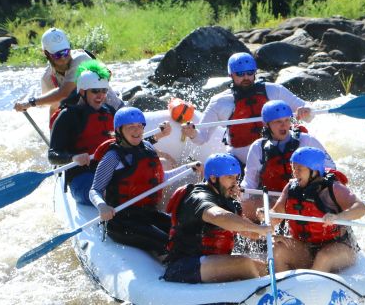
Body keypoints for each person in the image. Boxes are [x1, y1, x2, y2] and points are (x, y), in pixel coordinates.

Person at [89, 107, 201, 258]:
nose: (136, 130)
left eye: (139, 126)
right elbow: (95, 189)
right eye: (130, 127)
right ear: (119, 130)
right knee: (168, 243)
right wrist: (102, 206)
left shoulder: (147, 148)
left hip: (148, 213)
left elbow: (162, 179)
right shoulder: (112, 158)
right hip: (121, 221)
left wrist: (187, 168)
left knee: (186, 232)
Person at [181, 52, 313, 165]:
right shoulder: (219, 102)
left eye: (250, 73)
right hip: (241, 159)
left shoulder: (273, 90)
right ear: (231, 75)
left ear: (255, 72)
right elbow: (201, 138)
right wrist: (192, 133)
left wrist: (304, 110)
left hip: (277, 152)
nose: (246, 77)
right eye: (240, 74)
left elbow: (309, 113)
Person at [163, 153, 272, 283]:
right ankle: (261, 298)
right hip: (184, 265)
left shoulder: (226, 199)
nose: (235, 183)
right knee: (244, 264)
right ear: (213, 178)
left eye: (236, 178)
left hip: (209, 262)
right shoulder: (198, 197)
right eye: (230, 177)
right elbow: (217, 216)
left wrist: (264, 227)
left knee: (263, 268)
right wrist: (257, 228)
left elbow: (250, 232)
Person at [270, 147, 365, 273]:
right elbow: (276, 213)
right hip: (305, 247)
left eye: (299, 169)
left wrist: (338, 217)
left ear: (314, 170)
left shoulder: (334, 189)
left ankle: (312, 288)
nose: (295, 173)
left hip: (339, 247)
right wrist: (266, 215)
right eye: (293, 168)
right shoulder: (291, 188)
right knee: (278, 250)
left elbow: (361, 208)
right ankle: (283, 289)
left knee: (323, 257)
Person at [239, 100, 336, 219]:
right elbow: (250, 182)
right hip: (273, 198)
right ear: (266, 124)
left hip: (306, 196)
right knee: (246, 205)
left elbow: (330, 167)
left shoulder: (307, 140)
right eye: (278, 122)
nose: (284, 125)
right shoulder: (257, 147)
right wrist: (241, 194)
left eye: (287, 120)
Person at [14, 27, 121, 123]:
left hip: (113, 111)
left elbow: (64, 93)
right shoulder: (47, 78)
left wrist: (30, 102)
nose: (63, 58)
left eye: (65, 52)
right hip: (85, 120)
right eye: (57, 55)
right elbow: (54, 105)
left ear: (70, 48)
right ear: (46, 54)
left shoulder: (80, 59)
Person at [47, 68, 117, 205]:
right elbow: (52, 155)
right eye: (95, 91)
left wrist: (154, 139)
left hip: (111, 169)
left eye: (104, 90)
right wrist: (72, 157)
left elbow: (125, 141)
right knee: (114, 193)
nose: (101, 96)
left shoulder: (110, 112)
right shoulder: (67, 116)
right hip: (81, 177)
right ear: (82, 91)